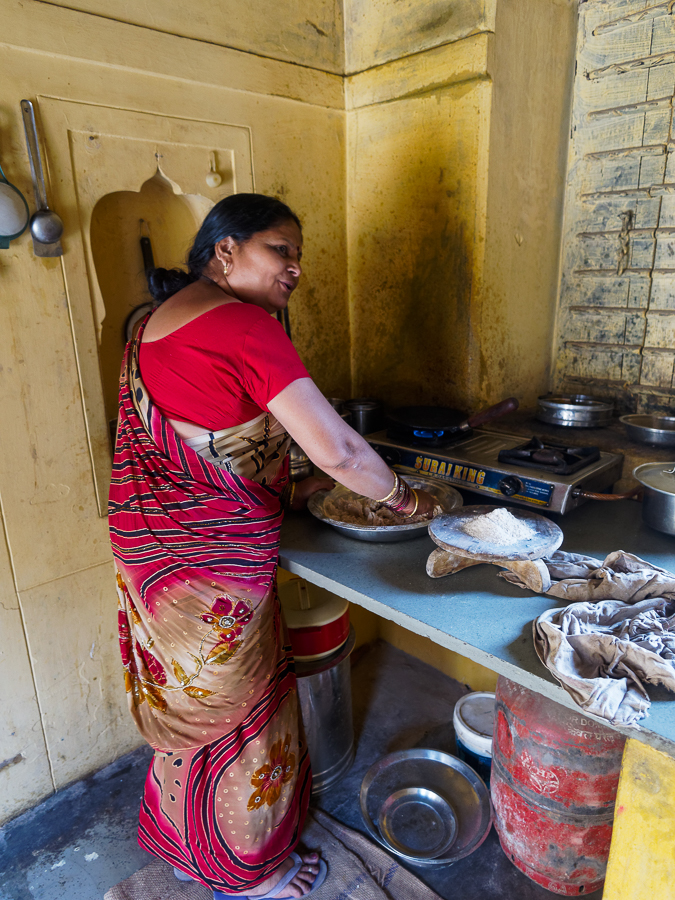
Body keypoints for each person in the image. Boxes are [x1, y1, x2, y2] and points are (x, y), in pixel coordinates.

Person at [109, 193, 436, 899]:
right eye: (278, 250)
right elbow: (345, 453)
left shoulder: (151, 324)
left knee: (187, 711)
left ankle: (185, 846)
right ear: (224, 250)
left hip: (152, 550)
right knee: (241, 715)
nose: (296, 268)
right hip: (211, 564)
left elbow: (207, 432)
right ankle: (246, 872)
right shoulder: (243, 326)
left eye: (297, 254)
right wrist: (409, 502)